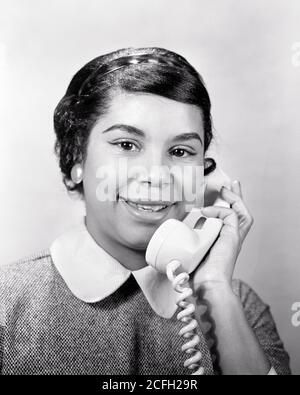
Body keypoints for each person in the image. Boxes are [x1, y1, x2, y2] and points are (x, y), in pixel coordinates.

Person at [0, 47, 291, 375]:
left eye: (180, 151)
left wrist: (213, 289)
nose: (156, 174)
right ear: (76, 160)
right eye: (126, 145)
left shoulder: (240, 306)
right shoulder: (7, 304)